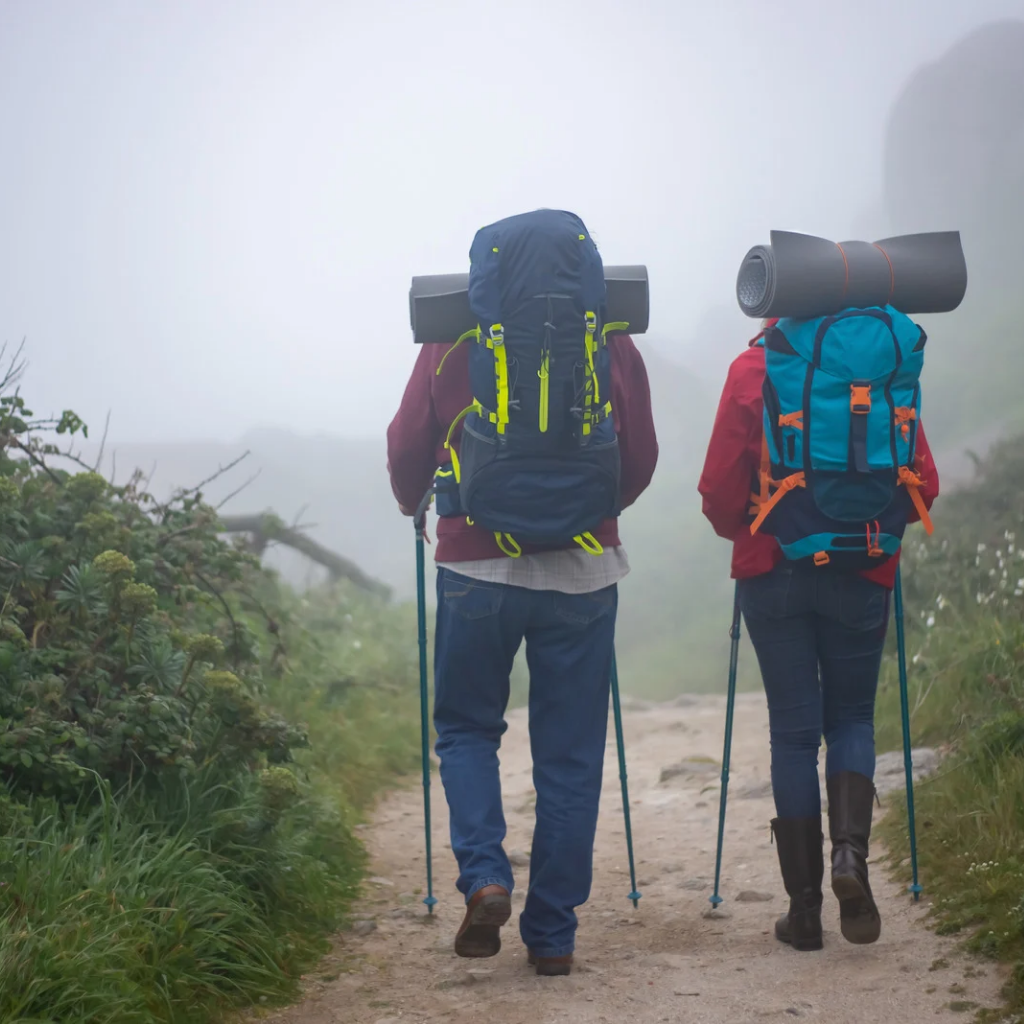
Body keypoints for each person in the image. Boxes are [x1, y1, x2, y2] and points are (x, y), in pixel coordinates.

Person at [386, 220, 658, 976]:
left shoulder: (456, 331)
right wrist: (593, 512)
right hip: (584, 571)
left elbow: (409, 445)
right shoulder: (607, 335)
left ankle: (486, 877)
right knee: (569, 757)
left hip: (476, 567)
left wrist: (416, 500)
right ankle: (554, 936)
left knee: (468, 731)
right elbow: (639, 457)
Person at [697, 315, 939, 952]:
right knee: (854, 719)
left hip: (772, 570)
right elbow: (925, 483)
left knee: (794, 734)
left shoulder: (755, 369)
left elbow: (719, 494)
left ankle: (804, 912)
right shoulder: (883, 368)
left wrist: (751, 527)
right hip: (865, 565)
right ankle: (850, 862)